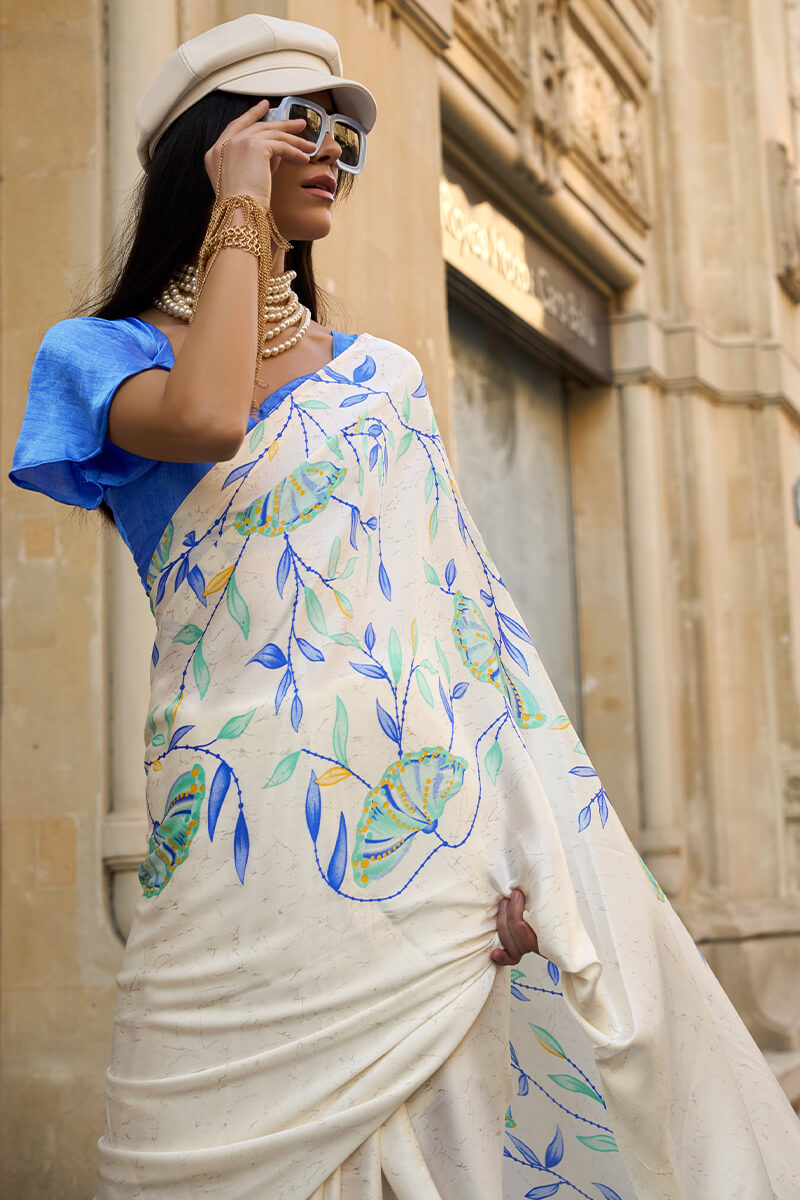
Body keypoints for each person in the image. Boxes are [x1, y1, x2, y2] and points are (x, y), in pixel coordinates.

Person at [9, 13, 800, 1200]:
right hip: (234, 847)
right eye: (300, 126)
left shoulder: (382, 377)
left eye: (348, 135)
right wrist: (236, 207)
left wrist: (524, 842)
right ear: (214, 148)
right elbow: (211, 417)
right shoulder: (96, 356)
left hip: (416, 855)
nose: (333, 150)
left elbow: (472, 639)